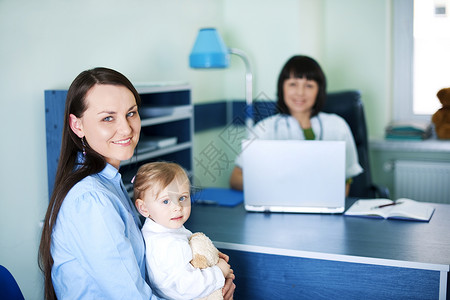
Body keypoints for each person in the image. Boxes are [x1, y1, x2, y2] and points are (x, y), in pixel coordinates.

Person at [38, 67, 235, 300]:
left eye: (131, 113)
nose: (126, 128)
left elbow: (141, 263)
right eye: (108, 118)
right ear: (77, 125)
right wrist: (212, 286)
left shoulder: (109, 182)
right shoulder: (92, 200)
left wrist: (195, 263)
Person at [230, 55, 363, 196]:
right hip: (276, 206)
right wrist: (276, 187)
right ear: (282, 88)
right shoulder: (264, 129)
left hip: (324, 209)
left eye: (309, 86)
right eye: (293, 84)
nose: (300, 93)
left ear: (319, 91)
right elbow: (235, 178)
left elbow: (345, 181)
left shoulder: (337, 126)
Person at [133, 161, 233, 299]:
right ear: (144, 208)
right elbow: (184, 287)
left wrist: (211, 256)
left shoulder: (164, 228)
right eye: (166, 201)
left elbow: (189, 247)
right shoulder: (166, 244)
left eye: (182, 198)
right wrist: (218, 272)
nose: (177, 207)